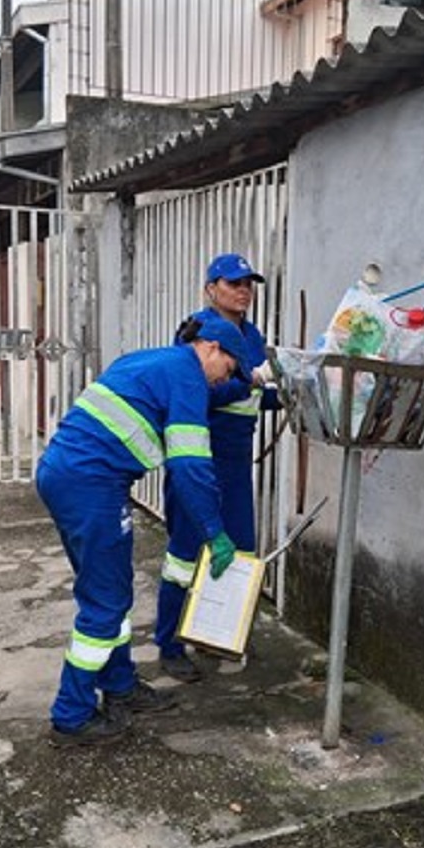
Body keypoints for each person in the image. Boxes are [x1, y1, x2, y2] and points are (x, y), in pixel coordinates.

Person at [36, 317, 250, 747]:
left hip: (72, 475)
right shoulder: (187, 377)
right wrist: (214, 531)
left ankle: (118, 686)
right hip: (91, 485)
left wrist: (256, 387)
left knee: (110, 590)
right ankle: (71, 716)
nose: (225, 379)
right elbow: (190, 464)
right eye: (229, 368)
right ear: (211, 349)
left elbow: (208, 400)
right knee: (106, 602)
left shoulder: (158, 361)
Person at [156, 252, 280, 682]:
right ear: (211, 289)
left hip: (236, 460)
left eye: (248, 283)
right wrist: (250, 382)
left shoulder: (254, 336)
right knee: (185, 555)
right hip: (198, 458)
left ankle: (221, 636)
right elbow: (198, 393)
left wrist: (284, 392)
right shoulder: (197, 333)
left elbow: (253, 395)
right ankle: (170, 644)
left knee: (240, 550)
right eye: (233, 283)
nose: (243, 290)